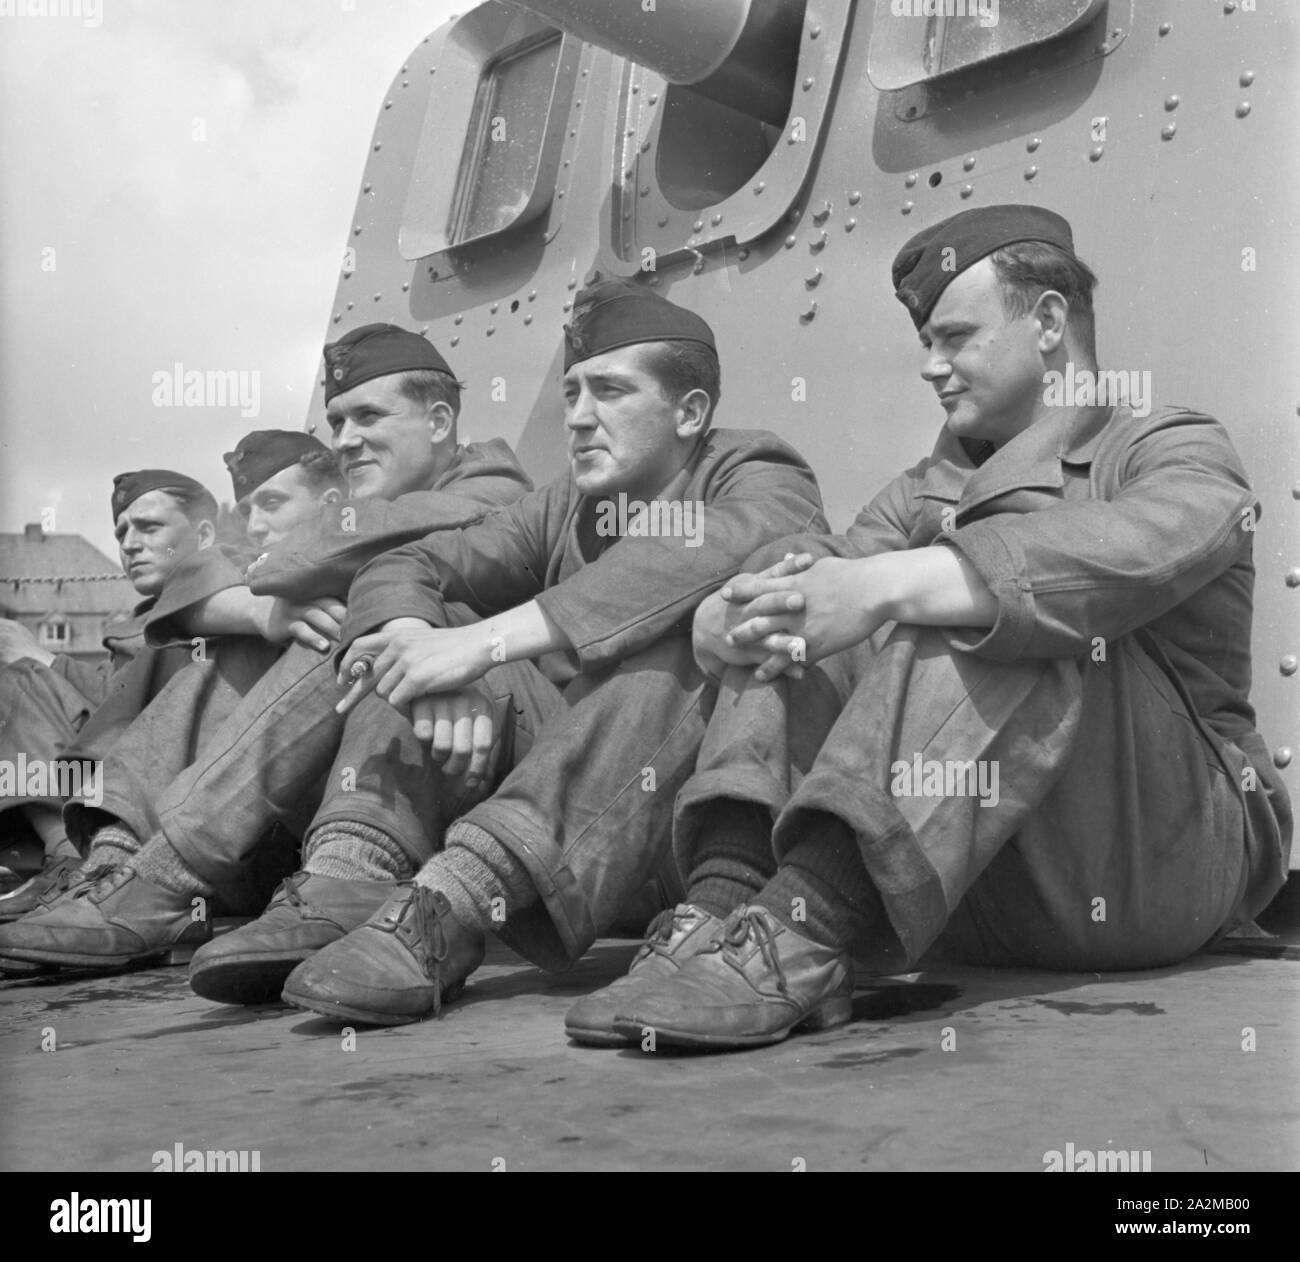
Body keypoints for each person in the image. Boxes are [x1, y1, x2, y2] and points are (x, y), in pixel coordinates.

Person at [563, 204, 1293, 1050]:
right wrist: (730, 619)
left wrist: (898, 582)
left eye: (954, 337)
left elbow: (1158, 536)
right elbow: (829, 579)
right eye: (924, 344)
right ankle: (729, 908)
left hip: (1154, 866)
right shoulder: (924, 490)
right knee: (802, 578)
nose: (931, 367)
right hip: (962, 888)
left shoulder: (1165, 445)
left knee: (995, 592)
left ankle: (805, 933)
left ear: (1049, 322)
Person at [209, 277, 829, 1025]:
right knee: (420, 631)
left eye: (609, 392)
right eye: (570, 394)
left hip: (683, 840)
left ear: (690, 412)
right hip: (565, 843)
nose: (578, 418)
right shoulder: (563, 502)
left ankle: (455, 906)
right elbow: (408, 566)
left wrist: (486, 642)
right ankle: (354, 874)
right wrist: (422, 648)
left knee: (692, 630)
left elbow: (713, 552)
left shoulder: (760, 471)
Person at [0, 326, 530, 970]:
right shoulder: (376, 504)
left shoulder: (493, 489)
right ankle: (120, 869)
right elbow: (184, 595)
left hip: (494, 761)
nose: (346, 440)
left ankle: (169, 881)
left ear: (440, 420)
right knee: (241, 642)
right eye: (337, 421)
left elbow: (313, 553)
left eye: (369, 416)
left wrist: (268, 586)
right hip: (394, 761)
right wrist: (260, 611)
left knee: (341, 620)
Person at [0, 471, 217, 921]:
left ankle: (65, 857)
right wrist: (41, 658)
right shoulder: (148, 615)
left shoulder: (217, 607)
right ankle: (55, 855)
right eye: (122, 532)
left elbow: (130, 700)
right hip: (121, 781)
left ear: (204, 534)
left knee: (17, 684)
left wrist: (40, 661)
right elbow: (115, 684)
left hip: (172, 801)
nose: (130, 544)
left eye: (150, 527)